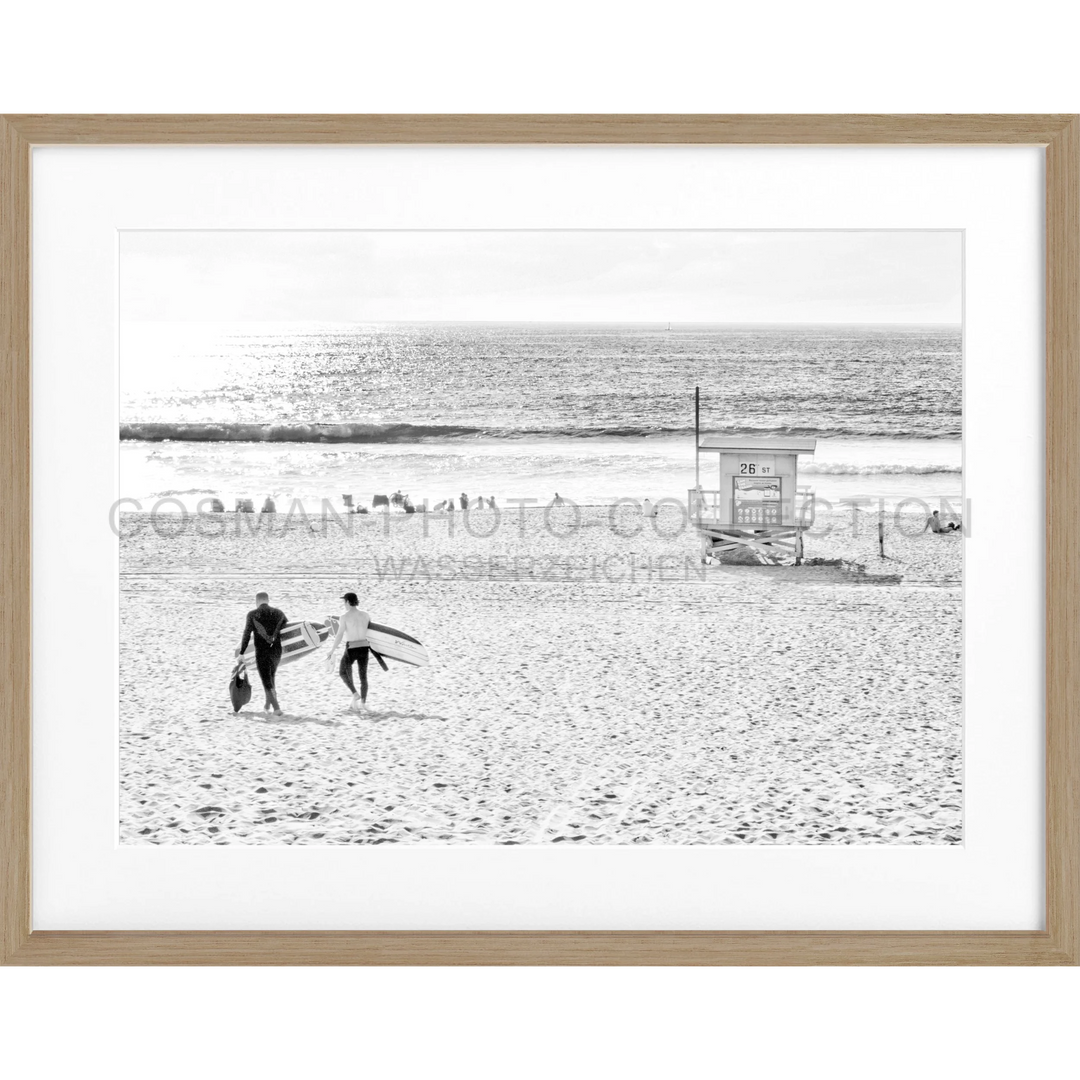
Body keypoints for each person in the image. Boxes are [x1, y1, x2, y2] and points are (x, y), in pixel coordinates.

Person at [236, 591, 288, 715]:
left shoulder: (252, 614)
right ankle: (267, 704)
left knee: (266, 679)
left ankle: (276, 708)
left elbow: (247, 635)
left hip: (262, 651)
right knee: (271, 676)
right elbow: (287, 630)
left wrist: (242, 653)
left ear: (257, 601)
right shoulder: (279, 613)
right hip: (276, 651)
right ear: (267, 600)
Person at [326, 591, 372, 714]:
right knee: (363, 677)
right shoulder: (366, 615)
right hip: (364, 647)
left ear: (347, 602)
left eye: (344, 602)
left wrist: (332, 650)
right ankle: (363, 702)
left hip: (352, 648)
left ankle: (355, 693)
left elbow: (340, 635)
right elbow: (371, 633)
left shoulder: (344, 617)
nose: (344, 604)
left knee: (343, 672)